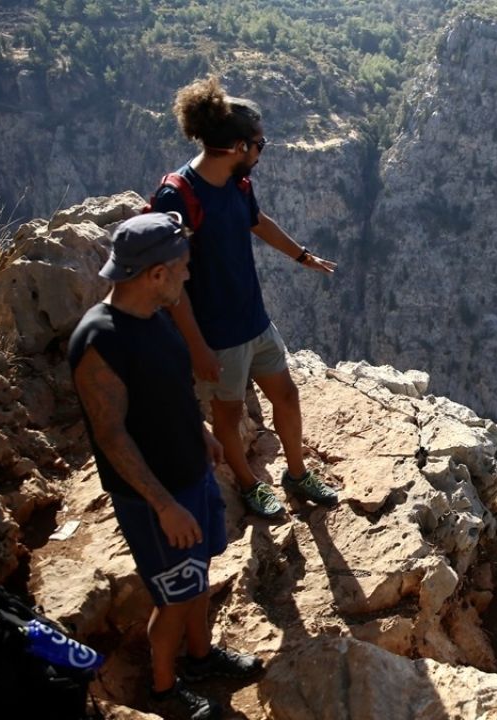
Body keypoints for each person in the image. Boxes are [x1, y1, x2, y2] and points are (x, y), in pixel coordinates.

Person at [70, 212, 263, 720]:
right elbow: (111, 437)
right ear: (155, 273)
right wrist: (164, 506)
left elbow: (168, 390)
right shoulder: (99, 342)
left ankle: (200, 659)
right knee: (173, 597)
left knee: (196, 577)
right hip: (156, 500)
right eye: (181, 267)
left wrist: (200, 433)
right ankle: (163, 688)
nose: (187, 275)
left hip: (190, 476)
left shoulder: (154, 314)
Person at [152, 75, 338, 518]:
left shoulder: (237, 183)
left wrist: (302, 255)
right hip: (217, 336)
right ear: (238, 147)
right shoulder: (177, 198)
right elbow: (169, 284)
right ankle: (251, 485)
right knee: (229, 416)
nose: (262, 151)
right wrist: (197, 346)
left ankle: (297, 474)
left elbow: (257, 221)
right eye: (260, 144)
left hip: (254, 321)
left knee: (287, 397)